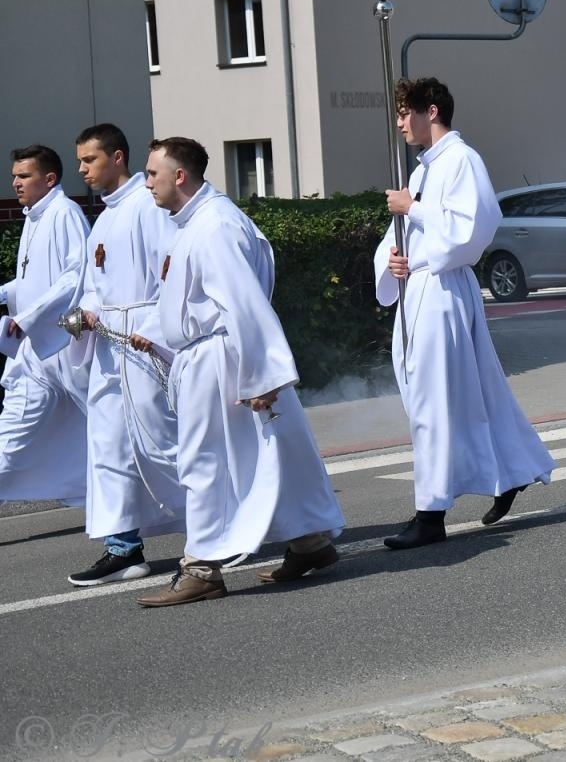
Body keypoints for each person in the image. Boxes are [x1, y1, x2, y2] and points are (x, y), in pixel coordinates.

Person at [134, 137, 344, 607]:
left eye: (152, 173)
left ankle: (202, 567)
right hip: (220, 356)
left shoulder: (214, 226)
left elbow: (244, 305)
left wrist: (261, 376)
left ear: (180, 176)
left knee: (205, 460)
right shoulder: (201, 221)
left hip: (224, 361)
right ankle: (310, 542)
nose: (147, 183)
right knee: (277, 450)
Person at [376, 77, 557, 549]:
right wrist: (394, 258)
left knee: (434, 403)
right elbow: (408, 234)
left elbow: (474, 227)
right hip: (419, 288)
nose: (399, 123)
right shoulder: (422, 170)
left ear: (430, 111)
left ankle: (429, 513)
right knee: (464, 395)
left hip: (443, 291)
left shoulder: (462, 160)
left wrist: (412, 209)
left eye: (403, 112)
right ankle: (514, 469)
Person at [64, 124, 184, 587]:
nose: (82, 170)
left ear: (117, 157)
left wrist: (153, 331)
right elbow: (98, 286)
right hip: (109, 346)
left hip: (141, 342)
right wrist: (88, 313)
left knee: (161, 442)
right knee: (108, 445)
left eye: (89, 160)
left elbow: (170, 276)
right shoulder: (107, 214)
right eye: (79, 161)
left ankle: (223, 526)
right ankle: (123, 548)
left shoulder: (146, 206)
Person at [0, 146, 89, 510]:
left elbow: (75, 277)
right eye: (14, 176)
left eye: (24, 176)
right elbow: (31, 279)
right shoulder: (34, 217)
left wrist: (28, 316)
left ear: (49, 179)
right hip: (36, 353)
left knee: (110, 428)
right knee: (11, 430)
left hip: (65, 346)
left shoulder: (65, 213)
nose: (15, 183)